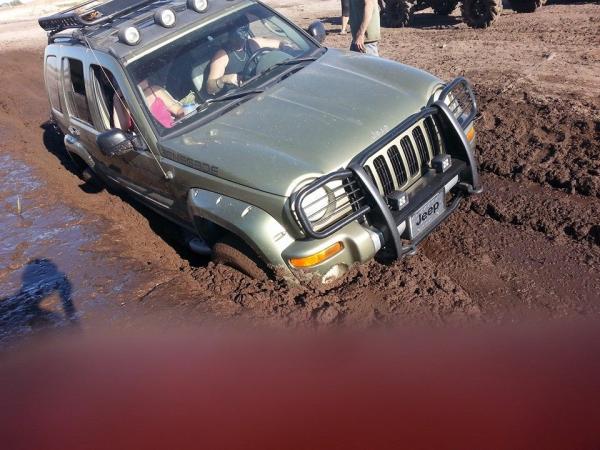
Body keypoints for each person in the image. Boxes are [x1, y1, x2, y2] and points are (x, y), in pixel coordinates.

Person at [206, 17, 291, 96]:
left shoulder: (253, 43)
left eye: (245, 32)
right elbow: (210, 88)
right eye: (240, 34)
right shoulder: (221, 56)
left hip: (265, 86)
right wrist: (224, 79)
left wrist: (286, 46)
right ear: (230, 33)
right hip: (242, 96)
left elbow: (279, 43)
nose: (243, 38)